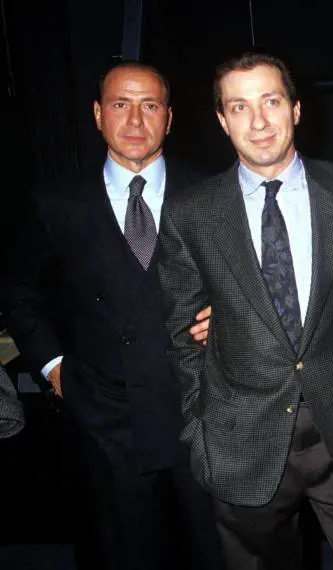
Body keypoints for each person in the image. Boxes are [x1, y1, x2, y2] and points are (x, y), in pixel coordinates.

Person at [156, 52, 333, 570]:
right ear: (222, 120)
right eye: (240, 107)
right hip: (241, 439)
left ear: (296, 109)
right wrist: (201, 430)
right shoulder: (190, 213)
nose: (258, 121)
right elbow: (180, 334)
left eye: (271, 101)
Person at [3, 61, 222, 570]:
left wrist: (233, 315)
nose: (135, 120)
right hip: (105, 422)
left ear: (169, 118)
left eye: (150, 105)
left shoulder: (214, 192)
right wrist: (55, 368)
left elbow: (259, 284)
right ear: (99, 115)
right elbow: (19, 290)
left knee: (212, 554)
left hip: (201, 414)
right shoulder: (56, 202)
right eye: (121, 104)